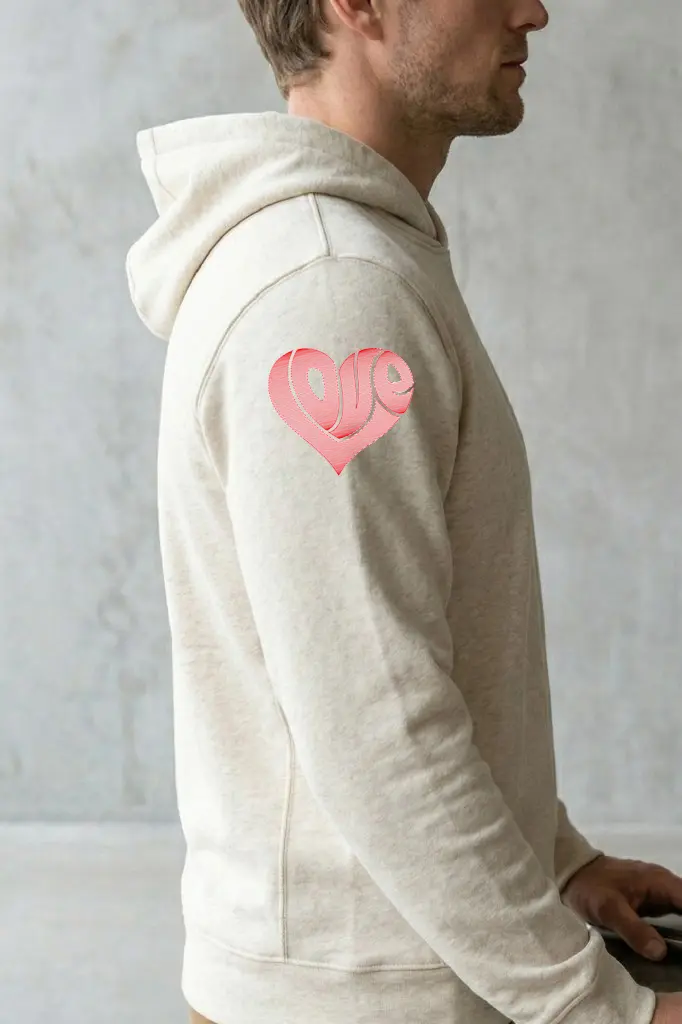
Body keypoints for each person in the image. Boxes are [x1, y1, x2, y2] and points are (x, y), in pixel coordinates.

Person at [124, 1, 682, 1023]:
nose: (533, 10)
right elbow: (377, 726)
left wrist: (555, 860)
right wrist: (601, 1008)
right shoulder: (330, 294)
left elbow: (395, 659)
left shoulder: (353, 259)